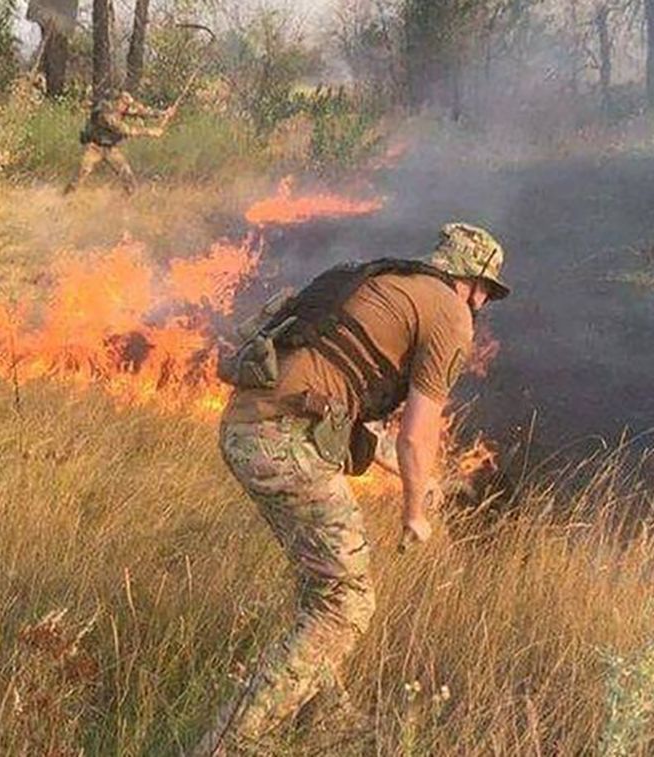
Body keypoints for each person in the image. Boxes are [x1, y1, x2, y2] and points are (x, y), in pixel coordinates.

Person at [197, 223, 512, 754]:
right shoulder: (450, 311)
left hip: (250, 430)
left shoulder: (378, 282)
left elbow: (357, 421)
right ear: (469, 280)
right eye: (485, 290)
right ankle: (230, 743)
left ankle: (328, 725)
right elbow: (417, 432)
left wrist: (426, 479)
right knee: (346, 604)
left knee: (321, 589)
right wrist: (415, 512)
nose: (482, 303)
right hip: (285, 442)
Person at [63, 90, 172, 195]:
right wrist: (150, 131)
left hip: (111, 149)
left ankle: (128, 201)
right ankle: (66, 197)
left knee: (127, 176)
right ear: (117, 101)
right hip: (94, 147)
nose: (127, 107)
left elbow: (141, 111)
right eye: (125, 104)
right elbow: (124, 130)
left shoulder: (121, 107)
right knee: (81, 173)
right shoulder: (105, 113)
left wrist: (163, 113)